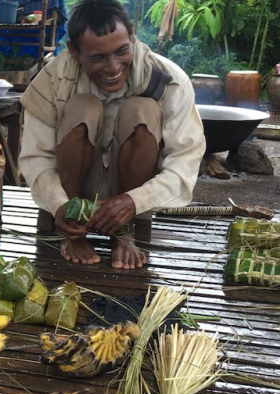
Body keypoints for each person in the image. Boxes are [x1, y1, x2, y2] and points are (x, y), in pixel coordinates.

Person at [18, 0, 205, 269]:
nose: (113, 66)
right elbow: (36, 157)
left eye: (121, 51)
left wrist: (134, 201)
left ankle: (122, 234)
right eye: (98, 58)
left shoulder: (170, 81)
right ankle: (73, 231)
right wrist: (59, 204)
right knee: (83, 108)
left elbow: (184, 165)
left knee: (143, 110)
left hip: (132, 194)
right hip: (71, 194)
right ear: (74, 51)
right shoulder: (51, 81)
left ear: (131, 34)